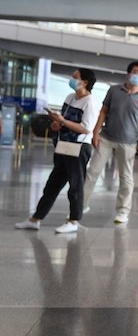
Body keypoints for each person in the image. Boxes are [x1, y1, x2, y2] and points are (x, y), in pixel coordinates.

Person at [15, 68, 100, 234]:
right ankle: (35, 219)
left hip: (79, 148)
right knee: (52, 185)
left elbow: (86, 129)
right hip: (63, 145)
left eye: (75, 77)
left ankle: (73, 221)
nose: (72, 79)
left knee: (75, 186)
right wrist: (57, 124)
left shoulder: (90, 102)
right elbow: (64, 120)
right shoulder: (70, 97)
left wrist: (63, 121)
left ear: (85, 82)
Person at [82, 61, 138, 225]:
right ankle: (81, 205)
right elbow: (103, 112)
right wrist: (95, 132)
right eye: (136, 72)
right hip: (106, 138)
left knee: (126, 178)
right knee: (92, 172)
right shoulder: (114, 90)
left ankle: (122, 211)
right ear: (128, 74)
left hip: (128, 142)